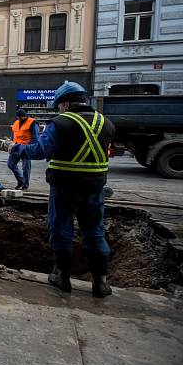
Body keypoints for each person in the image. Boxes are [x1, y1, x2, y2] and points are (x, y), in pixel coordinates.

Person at [10, 81, 115, 298]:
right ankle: (101, 282)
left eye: (59, 105)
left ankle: (62, 276)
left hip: (65, 185)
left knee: (60, 228)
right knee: (95, 231)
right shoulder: (105, 122)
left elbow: (41, 150)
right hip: (94, 186)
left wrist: (16, 148)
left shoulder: (61, 122)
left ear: (65, 104)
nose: (58, 109)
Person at [7, 108, 39, 190]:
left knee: (26, 168)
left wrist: (31, 147)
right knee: (11, 164)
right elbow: (14, 134)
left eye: (20, 117)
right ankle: (20, 180)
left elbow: (35, 137)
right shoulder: (16, 122)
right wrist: (11, 143)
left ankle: (25, 185)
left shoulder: (32, 123)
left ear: (24, 116)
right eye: (18, 117)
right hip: (16, 147)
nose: (19, 119)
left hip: (26, 148)